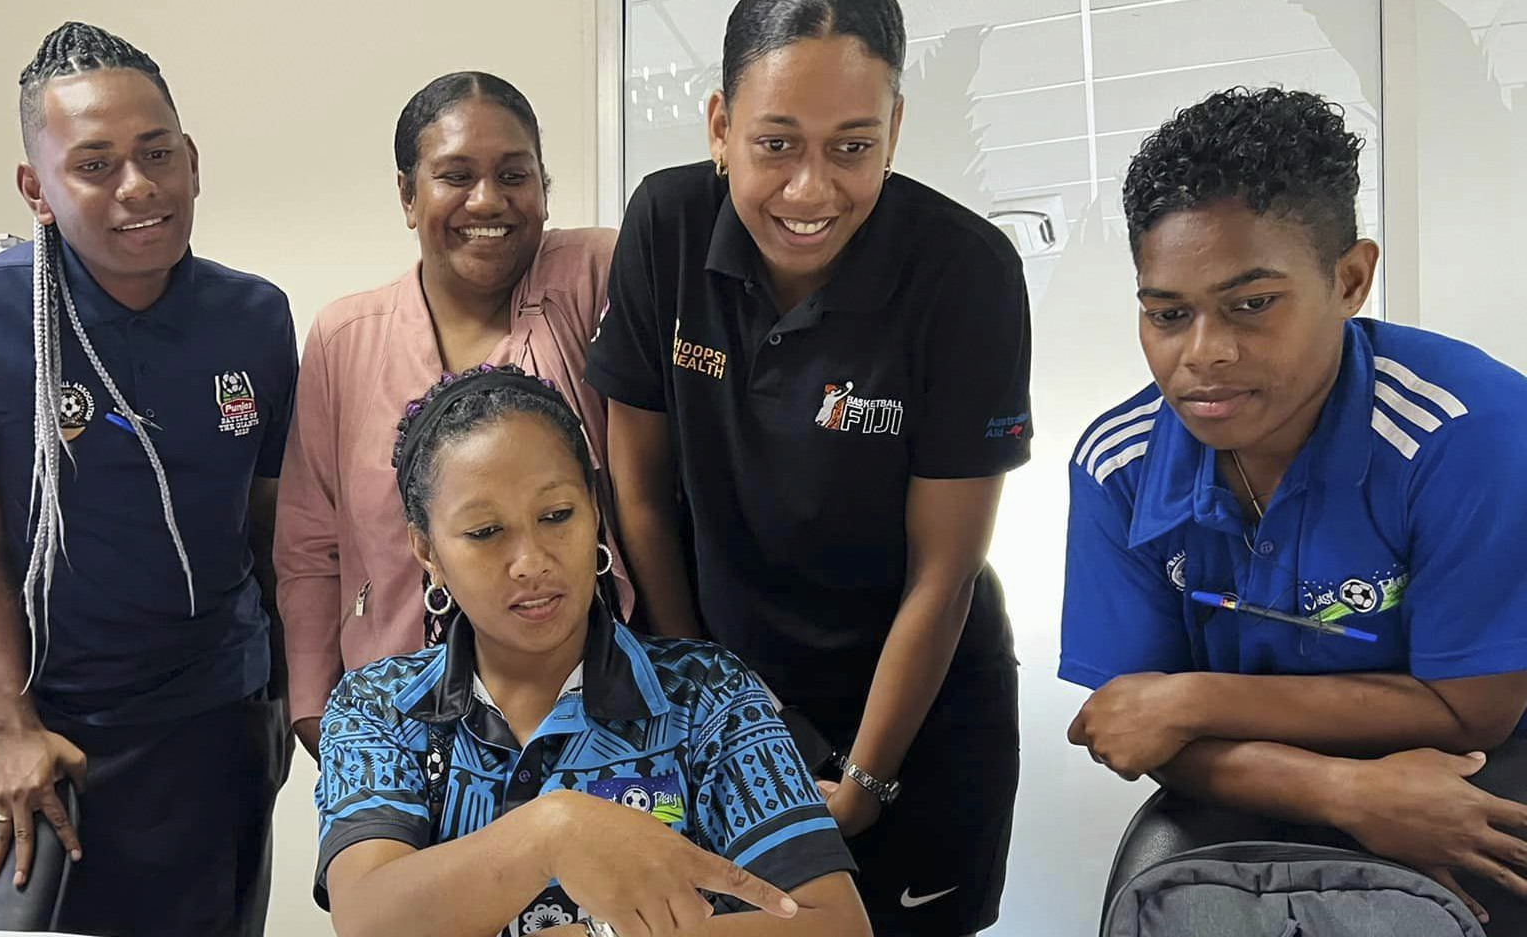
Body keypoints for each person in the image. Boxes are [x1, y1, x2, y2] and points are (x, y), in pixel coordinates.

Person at [586, 0, 1030, 933]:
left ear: (897, 128)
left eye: (853, 147)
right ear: (720, 126)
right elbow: (640, 496)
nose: (811, 190)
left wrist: (865, 779)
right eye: (776, 145)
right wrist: (710, 713)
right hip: (730, 693)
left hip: (917, 715)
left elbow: (942, 572)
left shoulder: (966, 273)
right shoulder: (665, 226)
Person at [1060, 85, 1527, 927]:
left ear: (1350, 280)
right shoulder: (1116, 466)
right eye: (1168, 314)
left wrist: (1190, 699)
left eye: (1252, 304)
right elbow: (1137, 734)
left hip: (1473, 762)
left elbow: (1475, 707)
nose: (1204, 354)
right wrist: (1343, 790)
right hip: (1248, 773)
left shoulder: (1470, 431)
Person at [0, 21, 293, 936]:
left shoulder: (254, 317)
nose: (139, 188)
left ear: (192, 160)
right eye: (94, 164)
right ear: (36, 189)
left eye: (156, 153)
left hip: (215, 713)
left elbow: (270, 526)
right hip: (48, 724)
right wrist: (10, 724)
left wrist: (282, 696)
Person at [314, 364, 870, 937]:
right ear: (426, 549)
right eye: (485, 532)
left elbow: (835, 926)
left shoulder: (709, 694)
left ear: (595, 512)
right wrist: (550, 834)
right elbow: (367, 918)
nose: (531, 561)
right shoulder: (377, 706)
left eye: (557, 516)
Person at [277, 71, 629, 760]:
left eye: (514, 174)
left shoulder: (591, 282)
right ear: (408, 194)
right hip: (397, 726)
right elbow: (308, 547)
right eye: (456, 175)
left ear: (545, 188)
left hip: (588, 720)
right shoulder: (345, 338)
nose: (487, 200)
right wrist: (320, 715)